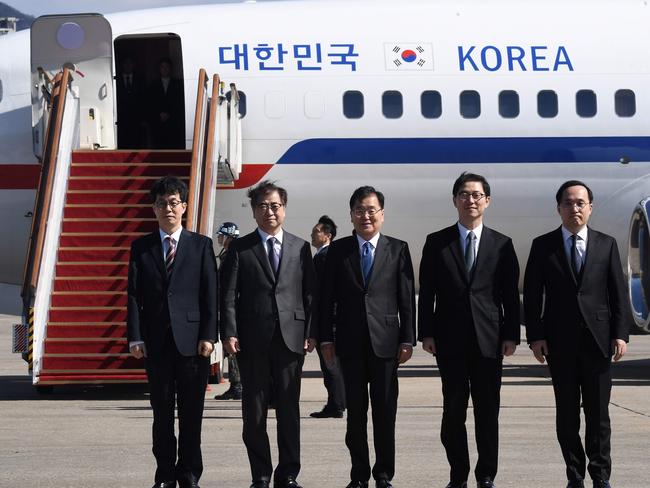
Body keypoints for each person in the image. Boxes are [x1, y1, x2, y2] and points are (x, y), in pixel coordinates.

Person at [524, 180, 630, 488]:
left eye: (581, 203)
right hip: (560, 341)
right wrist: (536, 336)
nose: (575, 208)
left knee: (598, 415)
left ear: (590, 207)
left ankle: (601, 475)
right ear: (559, 208)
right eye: (568, 203)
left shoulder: (606, 244)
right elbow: (532, 295)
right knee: (567, 415)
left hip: (598, 341)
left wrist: (620, 333)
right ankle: (575, 474)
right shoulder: (543, 246)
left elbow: (617, 292)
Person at [418, 172, 520, 488]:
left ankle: (486, 474)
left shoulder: (502, 244)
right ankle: (458, 474)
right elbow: (427, 291)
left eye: (477, 195)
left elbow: (510, 296)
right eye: (464, 194)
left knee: (487, 414)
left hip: (490, 343)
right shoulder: (437, 242)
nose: (470, 200)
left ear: (486, 201)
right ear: (454, 200)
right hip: (449, 342)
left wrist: (511, 335)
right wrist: (427, 333)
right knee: (453, 414)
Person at [220, 180, 317, 488]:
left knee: (289, 410)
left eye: (275, 206)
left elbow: (310, 293)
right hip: (252, 340)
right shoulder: (239, 248)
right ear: (253, 211)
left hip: (291, 338)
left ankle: (288, 475)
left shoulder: (300, 247)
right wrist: (230, 332)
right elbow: (228, 294)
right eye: (263, 206)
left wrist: (310, 331)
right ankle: (260, 475)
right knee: (255, 412)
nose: (270, 211)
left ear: (284, 210)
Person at [320, 186, 416, 488]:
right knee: (356, 416)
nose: (366, 216)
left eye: (371, 210)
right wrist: (325, 338)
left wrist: (407, 338)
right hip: (349, 345)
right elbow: (326, 300)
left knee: (385, 414)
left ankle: (384, 474)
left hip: (386, 344)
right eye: (359, 210)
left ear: (382, 214)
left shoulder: (398, 249)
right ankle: (359, 475)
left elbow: (406, 299)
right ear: (351, 215)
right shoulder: (338, 251)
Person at [127, 175, 217, 488]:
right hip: (156, 344)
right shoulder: (141, 248)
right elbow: (133, 295)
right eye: (162, 203)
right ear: (154, 209)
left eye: (174, 202)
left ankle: (189, 474)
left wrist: (209, 335)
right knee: (162, 416)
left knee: (192, 416)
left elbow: (210, 295)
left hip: (193, 344)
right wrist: (135, 337)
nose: (168, 208)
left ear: (184, 206)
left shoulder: (201, 245)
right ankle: (164, 475)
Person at [309, 215, 346, 418]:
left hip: (328, 319)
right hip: (332, 318)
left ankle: (336, 404)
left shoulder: (324, 257)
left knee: (330, 364)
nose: (312, 235)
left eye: (316, 232)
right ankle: (338, 401)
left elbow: (321, 292)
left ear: (327, 235)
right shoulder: (329, 255)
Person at [214, 221, 243, 400]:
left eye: (221, 235)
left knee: (233, 349)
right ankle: (235, 384)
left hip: (233, 309)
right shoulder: (227, 253)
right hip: (226, 306)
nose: (218, 237)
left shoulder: (233, 253)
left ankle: (238, 384)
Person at [148, 57, 185, 149]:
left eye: (167, 67)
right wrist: (159, 114)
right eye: (162, 67)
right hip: (158, 122)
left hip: (174, 123)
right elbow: (151, 103)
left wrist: (169, 114)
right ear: (159, 69)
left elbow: (179, 102)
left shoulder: (178, 84)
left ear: (171, 68)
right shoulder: (153, 84)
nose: (165, 69)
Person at [116, 55, 145, 149]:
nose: (128, 65)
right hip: (121, 119)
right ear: (122, 65)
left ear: (133, 65)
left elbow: (143, 99)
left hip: (137, 118)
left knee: (137, 142)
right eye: (125, 63)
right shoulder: (116, 79)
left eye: (130, 63)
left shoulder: (140, 80)